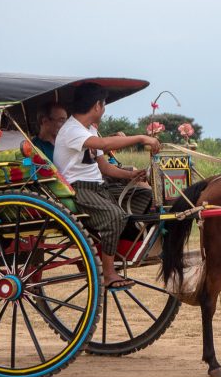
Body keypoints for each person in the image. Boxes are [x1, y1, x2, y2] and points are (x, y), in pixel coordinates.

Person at [54, 83, 161, 289]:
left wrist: (131, 176)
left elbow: (104, 168)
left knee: (147, 196)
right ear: (96, 106)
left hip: (99, 186)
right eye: (103, 106)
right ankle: (108, 272)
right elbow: (104, 145)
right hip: (79, 189)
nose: (104, 110)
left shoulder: (90, 129)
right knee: (114, 217)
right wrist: (140, 137)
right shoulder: (72, 130)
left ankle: (121, 250)